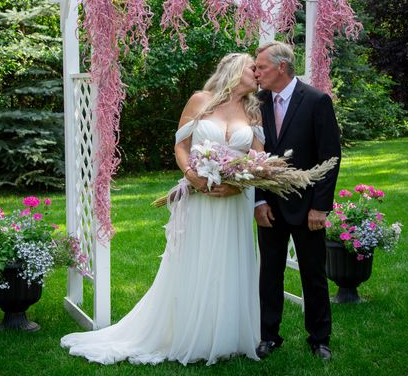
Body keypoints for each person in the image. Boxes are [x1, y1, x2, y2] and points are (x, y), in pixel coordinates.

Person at [61, 53, 264, 365]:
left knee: (229, 260)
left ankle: (224, 334)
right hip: (199, 197)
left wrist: (237, 185)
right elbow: (181, 146)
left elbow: (259, 159)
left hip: (235, 200)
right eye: (255, 68)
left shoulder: (253, 111)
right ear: (236, 69)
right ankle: (186, 330)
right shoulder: (201, 100)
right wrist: (191, 175)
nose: (259, 74)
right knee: (196, 260)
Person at [253, 41, 341, 361]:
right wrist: (258, 202)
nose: (256, 72)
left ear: (281, 67)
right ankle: (268, 335)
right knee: (269, 273)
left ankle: (319, 338)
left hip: (308, 208)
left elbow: (330, 157)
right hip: (271, 207)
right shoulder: (257, 102)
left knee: (313, 273)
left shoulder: (317, 101)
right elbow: (256, 156)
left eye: (261, 66)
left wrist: (320, 206)